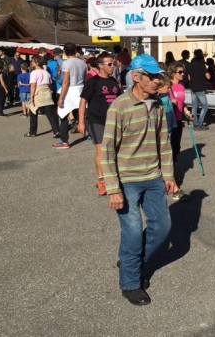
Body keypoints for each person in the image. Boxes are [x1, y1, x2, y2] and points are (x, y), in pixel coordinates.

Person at [100, 54, 175, 306]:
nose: (157, 81)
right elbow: (107, 151)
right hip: (127, 182)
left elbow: (164, 143)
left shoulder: (157, 105)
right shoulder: (119, 107)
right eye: (152, 76)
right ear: (136, 76)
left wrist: (169, 175)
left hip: (153, 177)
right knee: (132, 233)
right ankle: (130, 282)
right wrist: (113, 189)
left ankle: (130, 260)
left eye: (158, 76)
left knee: (162, 227)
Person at [77, 53, 121, 196]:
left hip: (113, 121)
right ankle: (101, 180)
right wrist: (81, 122)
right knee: (101, 150)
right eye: (110, 64)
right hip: (97, 120)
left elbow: (119, 102)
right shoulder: (93, 82)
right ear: (100, 66)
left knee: (114, 150)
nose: (113, 67)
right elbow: (83, 101)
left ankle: (113, 176)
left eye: (113, 64)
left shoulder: (114, 81)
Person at [167, 62, 193, 199]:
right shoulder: (167, 86)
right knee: (169, 150)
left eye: (183, 72)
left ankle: (172, 173)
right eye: (180, 72)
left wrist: (187, 112)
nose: (183, 74)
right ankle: (171, 179)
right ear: (172, 73)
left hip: (178, 120)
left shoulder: (181, 86)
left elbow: (182, 103)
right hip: (169, 121)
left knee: (176, 149)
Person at [55, 42, 87, 149]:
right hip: (81, 88)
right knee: (83, 112)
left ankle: (64, 141)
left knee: (62, 114)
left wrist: (61, 98)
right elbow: (85, 78)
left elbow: (66, 81)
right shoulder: (83, 63)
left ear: (64, 51)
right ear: (75, 51)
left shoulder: (66, 63)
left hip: (70, 90)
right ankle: (91, 134)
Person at [25, 57, 60, 138]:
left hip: (38, 92)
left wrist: (31, 97)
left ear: (37, 63)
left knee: (33, 112)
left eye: (33, 62)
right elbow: (49, 84)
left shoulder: (34, 73)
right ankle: (56, 131)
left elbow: (33, 85)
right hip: (47, 92)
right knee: (50, 114)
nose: (31, 63)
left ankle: (32, 132)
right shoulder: (46, 73)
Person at [187, 49, 210, 130]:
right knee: (205, 106)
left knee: (194, 106)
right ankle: (200, 123)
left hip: (193, 87)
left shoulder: (190, 65)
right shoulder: (202, 65)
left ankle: (195, 123)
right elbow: (208, 76)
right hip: (200, 87)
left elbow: (189, 78)